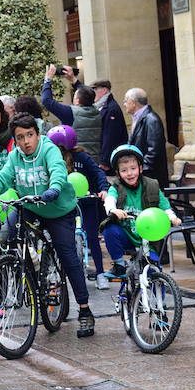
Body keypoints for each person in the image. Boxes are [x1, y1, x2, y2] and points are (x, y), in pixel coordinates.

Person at [0, 113, 96, 338]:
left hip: (57, 209)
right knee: (10, 233)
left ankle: (85, 309)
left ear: (37, 134)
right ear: (15, 140)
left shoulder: (49, 150)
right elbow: (2, 178)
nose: (26, 141)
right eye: (20, 137)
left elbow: (58, 170)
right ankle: (27, 270)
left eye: (29, 135)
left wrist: (54, 188)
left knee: (67, 255)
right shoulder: (15, 156)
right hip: (30, 206)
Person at [102, 145, 182, 280]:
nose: (129, 173)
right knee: (109, 229)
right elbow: (110, 199)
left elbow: (164, 206)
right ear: (118, 173)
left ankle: (159, 291)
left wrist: (172, 217)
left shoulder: (151, 185)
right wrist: (113, 210)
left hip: (148, 238)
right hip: (127, 235)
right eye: (124, 170)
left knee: (153, 270)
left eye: (133, 168)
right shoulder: (116, 186)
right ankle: (119, 265)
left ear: (140, 168)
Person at [47, 125, 110, 289]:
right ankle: (57, 273)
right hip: (65, 205)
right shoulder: (52, 160)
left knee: (92, 237)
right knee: (61, 239)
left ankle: (100, 273)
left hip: (87, 202)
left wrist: (103, 189)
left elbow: (98, 173)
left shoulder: (82, 157)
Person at [41, 64, 102, 162]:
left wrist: (48, 80)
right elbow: (89, 93)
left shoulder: (71, 113)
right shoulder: (97, 111)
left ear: (77, 101)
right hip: (94, 159)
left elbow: (46, 101)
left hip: (77, 160)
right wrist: (73, 79)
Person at [124, 88, 169, 187]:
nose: (124, 104)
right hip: (141, 175)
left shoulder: (151, 119)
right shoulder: (138, 118)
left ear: (133, 102)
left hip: (151, 177)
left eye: (126, 101)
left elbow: (154, 151)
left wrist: (140, 169)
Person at [88, 80, 128, 174]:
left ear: (104, 90)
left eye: (94, 89)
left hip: (109, 161)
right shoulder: (102, 106)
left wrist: (104, 161)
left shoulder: (111, 108)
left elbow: (110, 136)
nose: (92, 93)